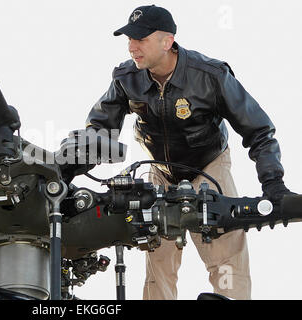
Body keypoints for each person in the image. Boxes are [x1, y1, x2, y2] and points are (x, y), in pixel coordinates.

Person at [85, 4, 293, 300]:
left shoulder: (210, 75)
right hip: (159, 170)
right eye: (129, 39)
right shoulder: (126, 78)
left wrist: (273, 183)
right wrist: (66, 171)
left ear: (167, 41)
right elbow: (98, 132)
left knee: (225, 249)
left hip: (207, 166)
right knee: (157, 256)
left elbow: (259, 130)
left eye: (140, 39)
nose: (132, 47)